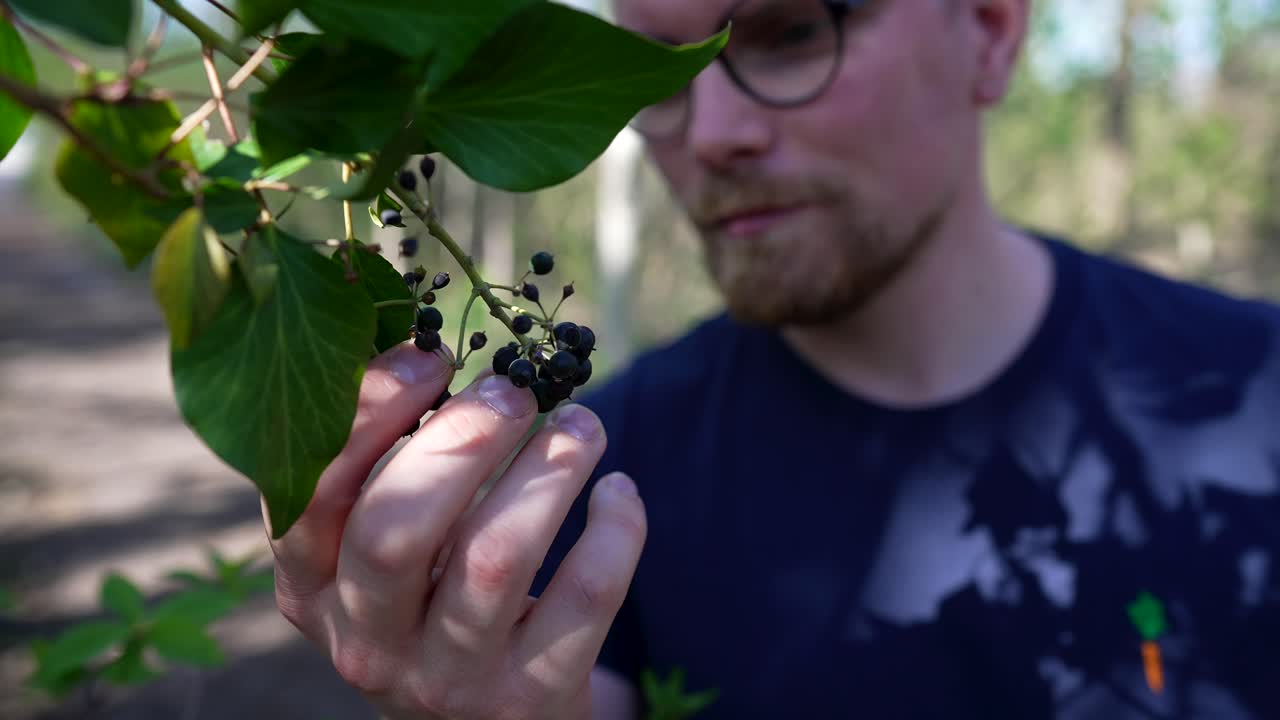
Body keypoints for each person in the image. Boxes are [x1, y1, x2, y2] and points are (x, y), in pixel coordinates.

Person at [263, 0, 1280, 717]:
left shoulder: (1253, 397)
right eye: (652, 68)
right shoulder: (595, 478)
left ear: (988, 30)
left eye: (792, 31)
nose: (709, 133)